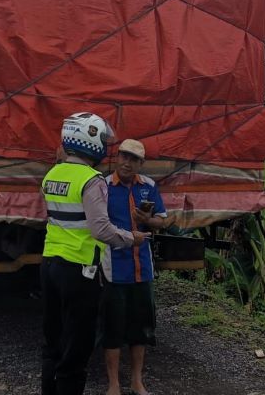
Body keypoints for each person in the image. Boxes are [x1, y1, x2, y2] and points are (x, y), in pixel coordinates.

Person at [41, 112, 150, 395]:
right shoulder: (92, 180)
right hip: (79, 271)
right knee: (77, 347)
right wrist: (132, 238)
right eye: (102, 140)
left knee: (53, 340)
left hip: (49, 265)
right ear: (90, 141)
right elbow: (101, 230)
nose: (105, 146)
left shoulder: (52, 174)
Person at [101, 138, 174, 395]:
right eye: (123, 156)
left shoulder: (149, 187)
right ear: (117, 157)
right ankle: (113, 385)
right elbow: (98, 226)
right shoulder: (104, 186)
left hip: (142, 269)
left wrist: (148, 220)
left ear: (141, 163)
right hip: (113, 268)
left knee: (140, 329)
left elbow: (162, 222)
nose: (127, 162)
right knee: (112, 329)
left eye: (133, 159)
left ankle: (136, 382)